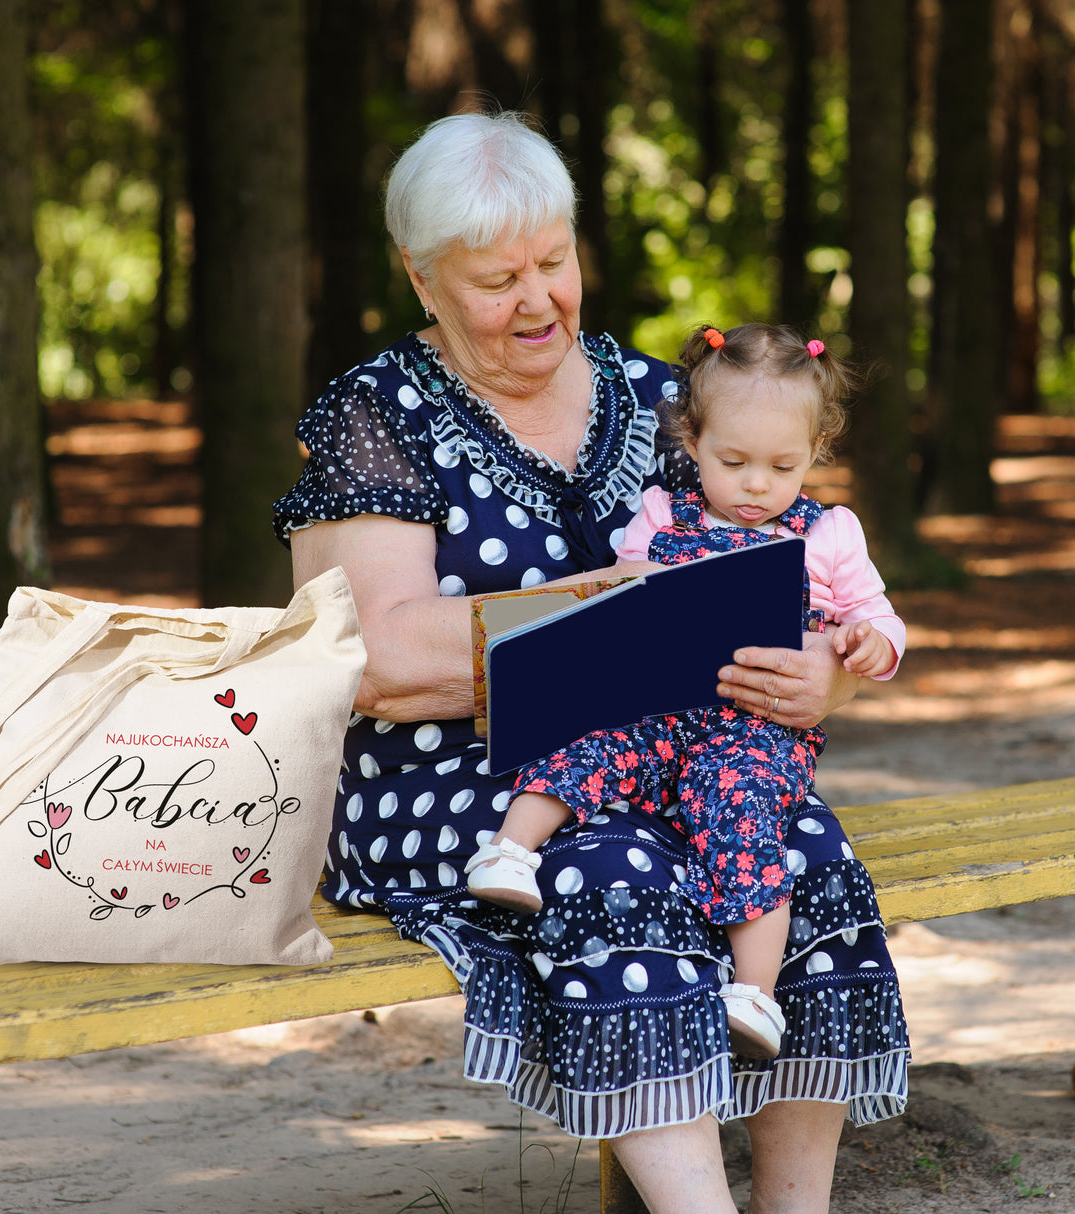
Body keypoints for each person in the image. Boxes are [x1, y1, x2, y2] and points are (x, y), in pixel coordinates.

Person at [273, 111, 909, 1214]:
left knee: (804, 847)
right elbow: (373, 656)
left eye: (552, 261)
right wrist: (589, 612)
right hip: (448, 774)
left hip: (669, 747)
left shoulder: (661, 395)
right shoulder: (375, 414)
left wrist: (828, 676)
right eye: (495, 278)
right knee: (617, 869)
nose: (536, 299)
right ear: (422, 280)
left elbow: (791, 575)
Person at [463, 322, 906, 1062]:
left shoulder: (830, 533)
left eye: (782, 465)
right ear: (692, 441)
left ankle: (755, 991)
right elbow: (620, 596)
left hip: (756, 732)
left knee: (745, 817)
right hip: (660, 704)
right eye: (733, 462)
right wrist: (639, 589)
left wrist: (866, 648)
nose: (757, 485)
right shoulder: (663, 514)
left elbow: (880, 619)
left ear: (816, 454)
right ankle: (510, 850)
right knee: (588, 739)